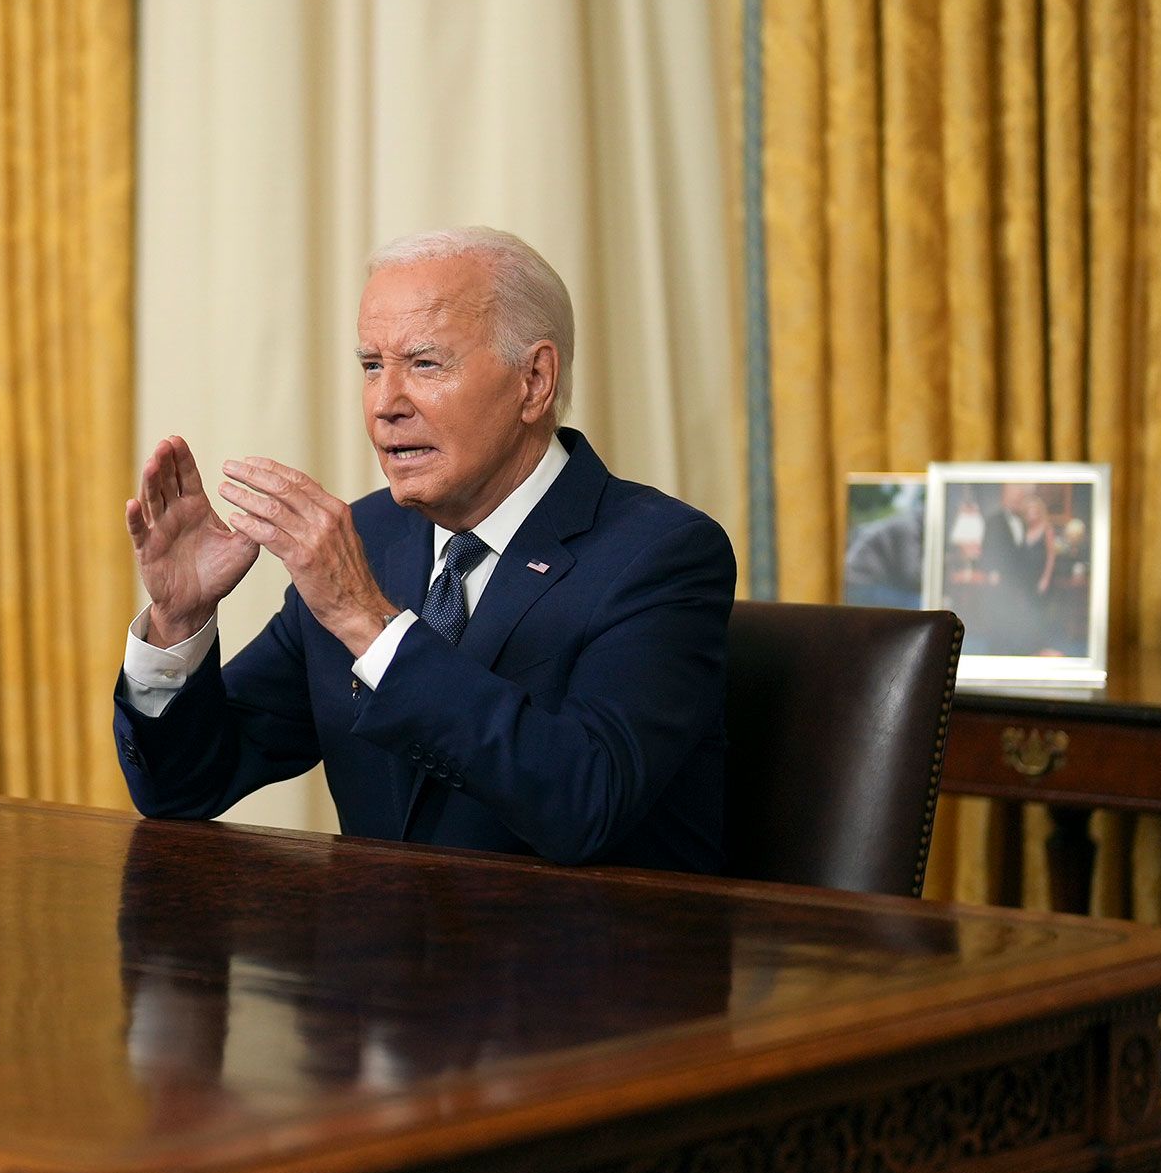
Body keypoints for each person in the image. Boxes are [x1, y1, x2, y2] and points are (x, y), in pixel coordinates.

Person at [115, 227, 734, 870]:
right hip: (380, 960)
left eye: (425, 363)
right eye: (372, 367)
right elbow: (185, 786)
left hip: (580, 961)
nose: (385, 405)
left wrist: (368, 621)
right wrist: (177, 625)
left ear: (535, 380)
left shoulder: (661, 554)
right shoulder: (366, 540)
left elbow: (585, 803)